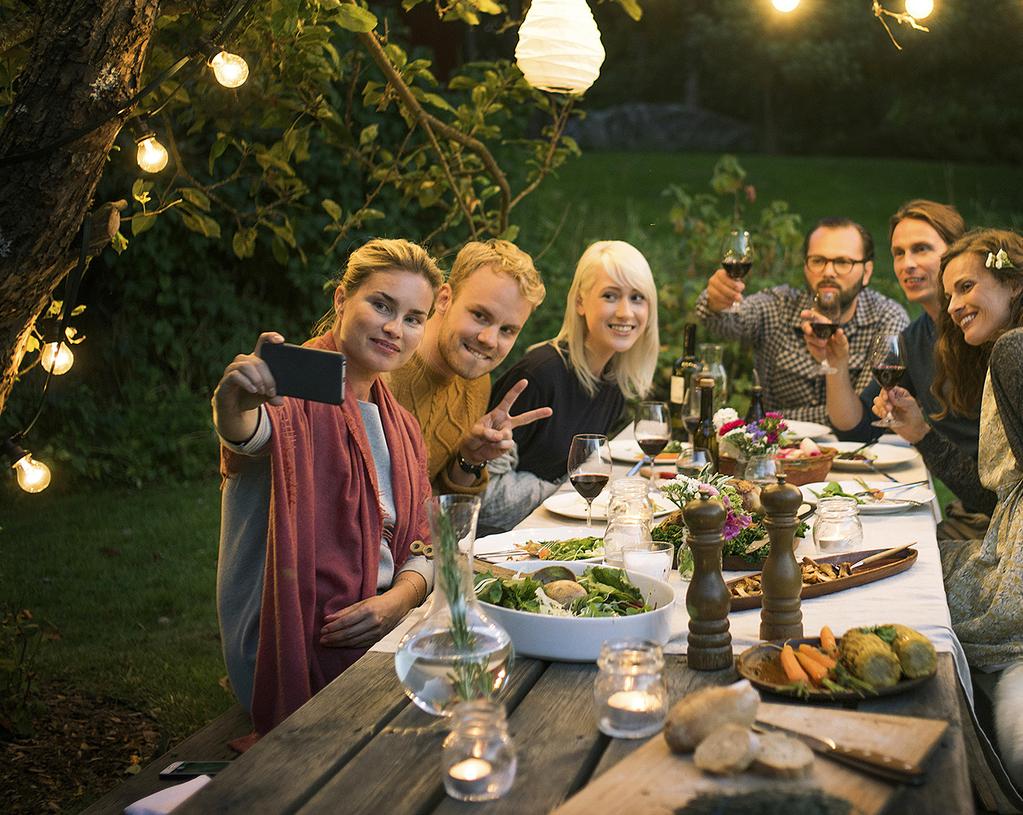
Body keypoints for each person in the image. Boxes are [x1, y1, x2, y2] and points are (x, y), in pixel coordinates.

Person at [213, 238, 442, 736]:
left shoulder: (400, 423)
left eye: (412, 317)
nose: (393, 328)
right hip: (296, 640)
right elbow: (246, 433)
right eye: (381, 305)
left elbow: (424, 542)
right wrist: (233, 397)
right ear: (341, 299)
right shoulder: (289, 389)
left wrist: (399, 599)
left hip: (384, 619)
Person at [907, 228, 1023, 784]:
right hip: (1008, 538)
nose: (953, 307)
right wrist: (922, 436)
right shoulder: (1008, 352)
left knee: (909, 577)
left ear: (1015, 280)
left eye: (967, 287)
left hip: (1016, 569)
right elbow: (994, 497)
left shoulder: (1014, 351)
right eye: (949, 295)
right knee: (916, 559)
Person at [816, 201, 995, 539]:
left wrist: (922, 434)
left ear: (955, 253)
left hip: (996, 518)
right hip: (970, 510)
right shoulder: (913, 339)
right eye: (898, 253)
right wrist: (835, 365)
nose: (907, 264)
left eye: (921, 249)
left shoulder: (984, 333)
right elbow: (856, 429)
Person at [478, 240, 659, 533]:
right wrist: (560, 492)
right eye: (610, 296)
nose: (626, 312)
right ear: (580, 302)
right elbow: (488, 496)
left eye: (637, 298)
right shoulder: (540, 375)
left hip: (552, 533)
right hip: (504, 545)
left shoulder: (613, 383)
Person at [695, 217, 909, 423]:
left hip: (854, 452)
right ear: (806, 266)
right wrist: (716, 300)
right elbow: (724, 324)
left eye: (843, 262)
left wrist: (772, 419)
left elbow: (864, 414)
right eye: (818, 261)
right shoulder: (777, 307)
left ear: (867, 272)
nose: (828, 272)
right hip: (779, 450)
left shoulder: (886, 319)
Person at [388, 239, 551, 496]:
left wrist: (469, 459)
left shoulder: (476, 382)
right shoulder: (384, 365)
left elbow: (436, 505)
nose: (489, 339)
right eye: (480, 316)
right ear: (444, 299)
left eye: (507, 330)